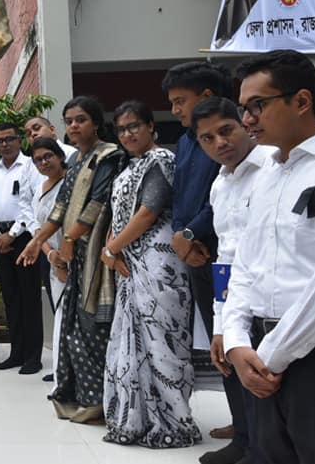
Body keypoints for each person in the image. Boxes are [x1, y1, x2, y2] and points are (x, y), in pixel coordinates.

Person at [223, 50, 315, 464]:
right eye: (243, 107)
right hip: (262, 360)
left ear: (301, 101)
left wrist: (273, 354)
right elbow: (244, 266)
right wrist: (236, 341)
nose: (247, 118)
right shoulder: (265, 176)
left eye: (258, 105)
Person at [101, 101, 200, 448]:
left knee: (162, 341)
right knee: (132, 341)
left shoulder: (162, 160)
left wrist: (112, 249)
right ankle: (136, 420)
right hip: (130, 261)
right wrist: (111, 252)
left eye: (134, 126)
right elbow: (120, 216)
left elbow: (147, 213)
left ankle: (173, 422)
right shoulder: (128, 168)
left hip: (160, 263)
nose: (128, 134)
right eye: (121, 129)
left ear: (151, 128)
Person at [19, 96, 122, 424]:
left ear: (96, 123)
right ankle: (84, 400)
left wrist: (67, 240)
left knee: (96, 329)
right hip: (75, 255)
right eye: (69, 121)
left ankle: (108, 404)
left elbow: (97, 204)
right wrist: (37, 243)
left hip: (100, 256)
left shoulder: (108, 155)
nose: (74, 126)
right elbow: (61, 209)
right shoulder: (77, 160)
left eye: (80, 120)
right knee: (74, 330)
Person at [161, 61, 242, 448]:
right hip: (193, 252)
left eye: (180, 101)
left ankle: (249, 429)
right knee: (218, 340)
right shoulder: (185, 142)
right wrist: (181, 236)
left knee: (238, 337)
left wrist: (194, 234)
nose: (175, 110)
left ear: (207, 97)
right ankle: (239, 420)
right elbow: (181, 196)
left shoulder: (224, 141)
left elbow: (220, 195)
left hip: (219, 249)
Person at [194, 96, 275, 464]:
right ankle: (245, 442)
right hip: (237, 302)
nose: (219, 143)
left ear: (244, 124)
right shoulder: (220, 184)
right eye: (207, 139)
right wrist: (221, 323)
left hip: (274, 303)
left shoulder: (273, 170)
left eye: (225, 131)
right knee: (240, 380)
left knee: (271, 397)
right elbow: (225, 258)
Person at [0, 123, 42, 374]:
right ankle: (16, 353)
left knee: (29, 299)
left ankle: (33, 357)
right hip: (0, 240)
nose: (4, 144)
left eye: (9, 139)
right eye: (0, 141)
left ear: (19, 141)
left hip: (24, 238)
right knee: (11, 298)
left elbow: (32, 204)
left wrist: (12, 234)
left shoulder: (30, 166)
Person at [28, 136, 68, 385]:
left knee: (69, 317)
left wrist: (62, 256)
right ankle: (62, 371)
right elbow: (37, 227)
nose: (44, 163)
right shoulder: (41, 187)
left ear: (60, 156)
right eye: (38, 160)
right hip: (52, 259)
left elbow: (72, 223)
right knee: (59, 315)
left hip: (71, 259)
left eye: (47, 157)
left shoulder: (71, 184)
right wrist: (50, 254)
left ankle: (72, 372)